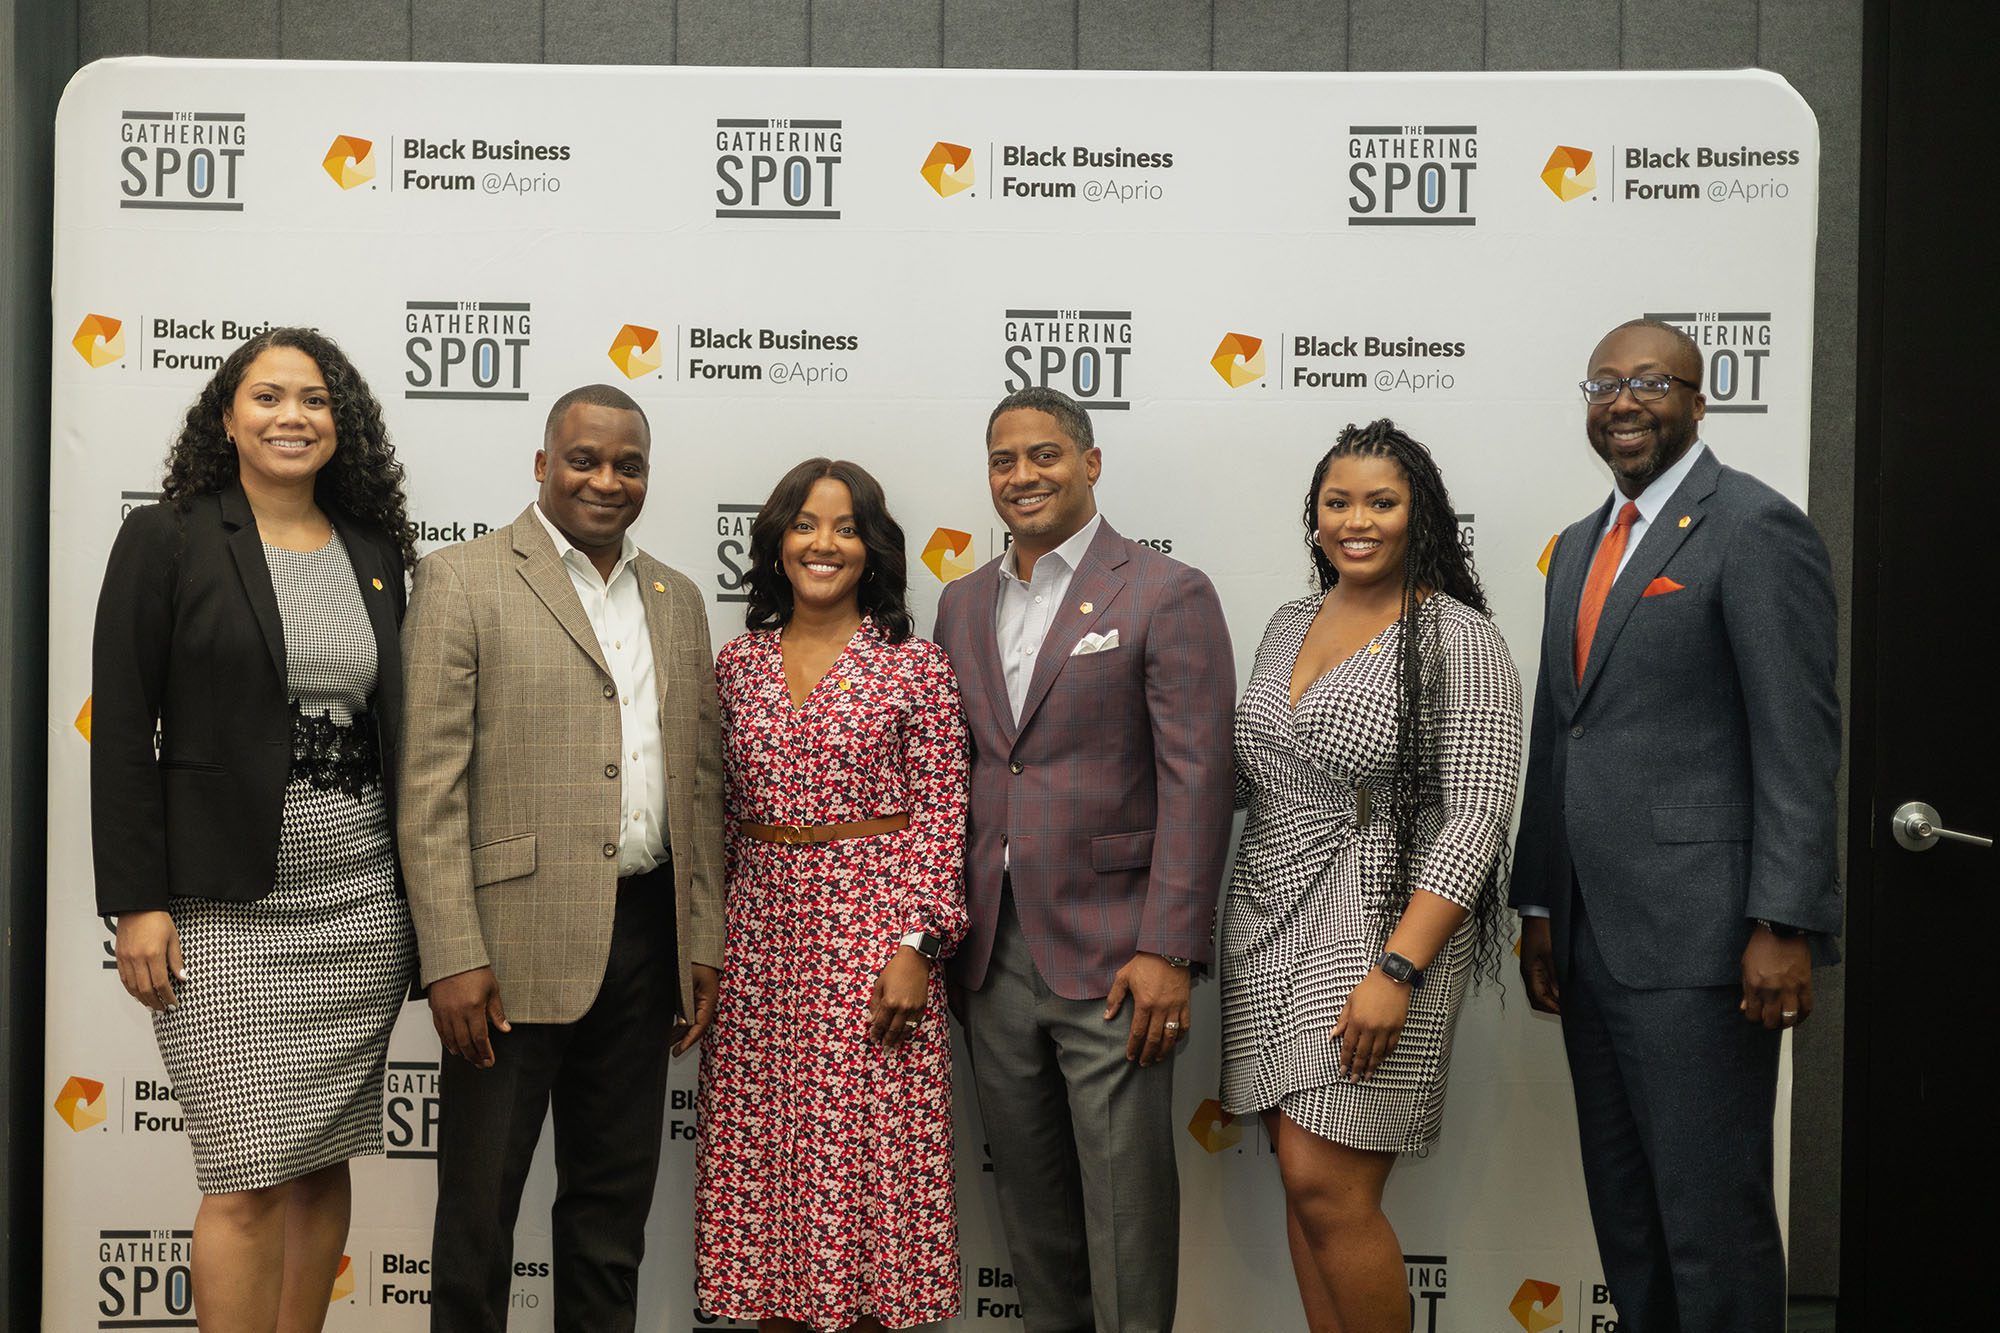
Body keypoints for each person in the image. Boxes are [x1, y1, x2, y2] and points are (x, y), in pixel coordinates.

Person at [1513, 318, 1840, 1333]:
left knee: (1709, 1224)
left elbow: (1796, 737)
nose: (1621, 401)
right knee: (1628, 1220)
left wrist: (1782, 920)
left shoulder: (1749, 527)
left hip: (1705, 942)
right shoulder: (1576, 546)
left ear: (1700, 401)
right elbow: (1557, 734)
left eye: (1650, 381)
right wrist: (1536, 903)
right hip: (1588, 935)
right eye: (1602, 382)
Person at [91, 327, 417, 1330]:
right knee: (245, 1179)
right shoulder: (171, 536)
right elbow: (121, 728)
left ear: (340, 421)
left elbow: (391, 722)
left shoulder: (372, 550)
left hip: (360, 898)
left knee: (318, 1163)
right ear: (227, 416)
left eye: (314, 399)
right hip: (223, 906)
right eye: (267, 396)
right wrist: (136, 904)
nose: (292, 416)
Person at [397, 383, 725, 1332]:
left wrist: (698, 938)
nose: (606, 480)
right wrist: (452, 953)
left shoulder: (678, 597)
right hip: (506, 951)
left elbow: (699, 785)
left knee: (609, 1220)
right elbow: (429, 787)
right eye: (584, 458)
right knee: (477, 1223)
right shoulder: (463, 578)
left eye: (629, 464)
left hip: (643, 941)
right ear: (542, 464)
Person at [931, 386, 1235, 1333]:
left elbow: (1198, 781)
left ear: (1091, 463)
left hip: (1117, 955)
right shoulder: (962, 601)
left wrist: (1170, 951)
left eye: (1045, 455)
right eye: (1003, 460)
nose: (1022, 475)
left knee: (1126, 1214)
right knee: (1032, 1215)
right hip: (990, 955)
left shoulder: (1164, 590)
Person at [1219, 419, 1521, 1333]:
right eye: (1338, 502)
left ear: (1418, 514)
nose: (1358, 521)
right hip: (1265, 910)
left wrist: (1400, 970)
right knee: (1302, 1183)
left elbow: (1476, 813)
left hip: (1383, 921)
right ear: (1314, 517)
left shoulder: (1456, 636)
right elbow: (1255, 772)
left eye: (1381, 502)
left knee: (1329, 1181)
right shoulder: (1285, 623)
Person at [695, 458, 969, 1332]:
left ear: (872, 548)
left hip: (874, 946)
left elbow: (941, 818)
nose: (824, 543)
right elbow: (716, 821)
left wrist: (917, 948)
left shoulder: (915, 667)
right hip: (760, 949)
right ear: (775, 544)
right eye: (805, 525)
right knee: (769, 1188)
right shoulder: (733, 666)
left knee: (864, 1178)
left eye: (846, 527)